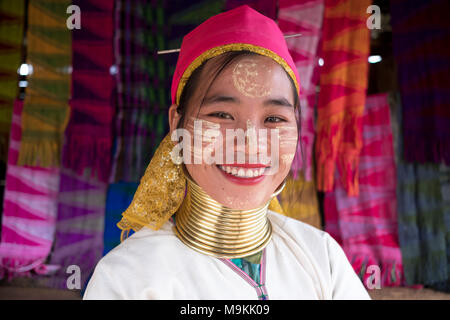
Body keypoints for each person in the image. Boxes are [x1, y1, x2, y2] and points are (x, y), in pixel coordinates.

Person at [83, 5, 371, 300]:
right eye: (221, 114)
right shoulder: (128, 277)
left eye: (274, 119)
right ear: (176, 124)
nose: (250, 143)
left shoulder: (322, 258)